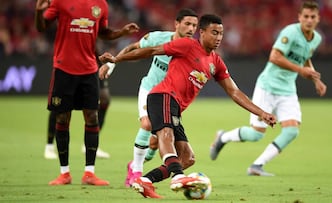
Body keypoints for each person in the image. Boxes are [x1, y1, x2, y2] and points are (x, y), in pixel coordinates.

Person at [99, 14, 276, 198]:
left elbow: (234, 92)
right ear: (203, 32)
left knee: (188, 157)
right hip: (162, 96)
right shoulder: (187, 45)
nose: (218, 38)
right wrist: (117, 60)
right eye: (214, 33)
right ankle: (177, 177)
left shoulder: (216, 62)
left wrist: (261, 113)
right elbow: (152, 51)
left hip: (175, 107)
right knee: (165, 135)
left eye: (221, 34)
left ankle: (146, 180)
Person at [209, 0, 327, 176]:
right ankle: (223, 137)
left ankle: (257, 165)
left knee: (292, 131)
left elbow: (305, 57)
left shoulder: (316, 38)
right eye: (306, 16)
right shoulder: (290, 33)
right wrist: (300, 70)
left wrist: (315, 79)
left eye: (313, 17)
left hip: (287, 90)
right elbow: (274, 57)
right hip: (268, 86)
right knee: (257, 134)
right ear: (299, 17)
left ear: (318, 19)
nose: (309, 20)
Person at [35, 0, 139, 186]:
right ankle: (64, 173)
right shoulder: (61, 2)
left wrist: (122, 32)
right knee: (62, 118)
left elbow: (104, 33)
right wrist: (38, 12)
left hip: (89, 70)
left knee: (92, 118)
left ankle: (89, 173)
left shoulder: (101, 4)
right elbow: (42, 27)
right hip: (64, 68)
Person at [100, 8, 199, 188]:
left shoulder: (193, 50)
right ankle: (136, 172)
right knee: (146, 124)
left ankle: (135, 163)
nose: (191, 28)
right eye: (187, 24)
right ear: (177, 24)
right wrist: (112, 63)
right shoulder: (157, 38)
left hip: (169, 99)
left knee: (154, 143)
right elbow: (133, 47)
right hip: (149, 89)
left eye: (194, 25)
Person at [44, 61, 111, 160]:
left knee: (104, 99)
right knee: (60, 107)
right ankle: (49, 146)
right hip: (67, 63)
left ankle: (88, 145)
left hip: (90, 62)